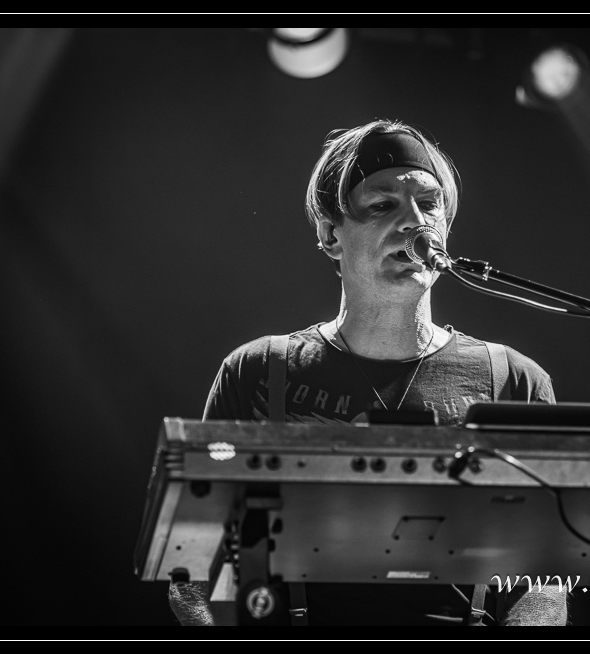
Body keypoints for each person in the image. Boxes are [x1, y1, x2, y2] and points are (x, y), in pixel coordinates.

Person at [169, 118, 569, 627]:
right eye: (383, 205)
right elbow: (191, 566)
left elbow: (544, 577)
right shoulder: (257, 372)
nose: (415, 222)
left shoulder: (514, 380)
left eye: (430, 204)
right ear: (330, 234)